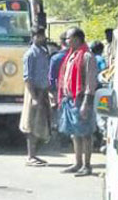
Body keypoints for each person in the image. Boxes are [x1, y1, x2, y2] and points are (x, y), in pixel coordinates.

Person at [57, 27, 98, 177]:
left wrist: (86, 103)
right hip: (70, 99)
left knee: (86, 133)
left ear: (77, 39)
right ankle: (78, 163)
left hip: (81, 100)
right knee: (75, 133)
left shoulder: (87, 56)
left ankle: (87, 165)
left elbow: (90, 82)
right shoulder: (71, 55)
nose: (66, 41)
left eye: (68, 38)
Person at [19, 28, 51, 166]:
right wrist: (34, 97)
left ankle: (35, 155)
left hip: (43, 90)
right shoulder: (30, 54)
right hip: (34, 91)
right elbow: (27, 78)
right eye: (39, 36)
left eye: (42, 35)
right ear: (33, 37)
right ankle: (30, 156)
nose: (42, 38)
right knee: (30, 123)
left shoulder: (44, 52)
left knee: (41, 123)